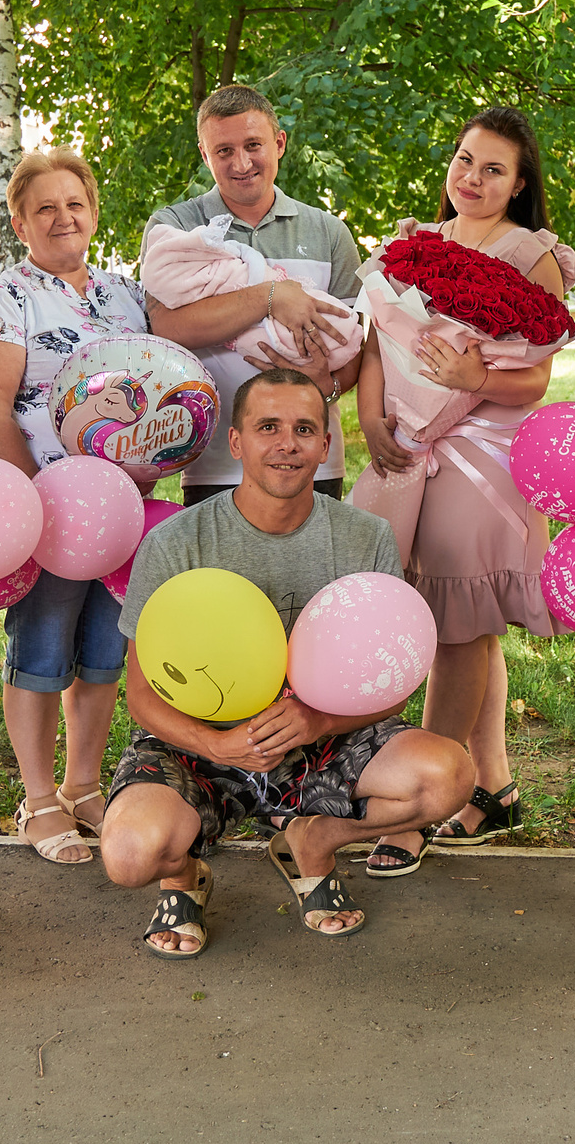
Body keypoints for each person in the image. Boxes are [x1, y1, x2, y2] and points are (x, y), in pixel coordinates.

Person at [97, 370, 477, 957]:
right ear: (237, 442)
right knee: (128, 857)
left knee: (449, 774)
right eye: (267, 427)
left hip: (318, 737)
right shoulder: (177, 542)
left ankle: (316, 839)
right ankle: (184, 876)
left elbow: (389, 686)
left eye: (304, 429)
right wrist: (216, 745)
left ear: (326, 445)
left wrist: (318, 722)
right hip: (204, 744)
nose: (286, 444)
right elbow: (143, 699)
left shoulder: (366, 539)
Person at [354, 107, 575, 874]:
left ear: (519, 186)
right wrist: (369, 412)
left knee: (454, 627)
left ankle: (425, 802)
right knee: (447, 621)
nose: (471, 179)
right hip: (404, 447)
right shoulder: (422, 244)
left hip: (480, 456)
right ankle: (492, 788)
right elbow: (379, 340)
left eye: (492, 169)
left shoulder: (532, 254)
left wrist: (474, 377)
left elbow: (537, 374)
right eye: (463, 160)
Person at [0, 147, 152, 863]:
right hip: (46, 511)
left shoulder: (126, 296)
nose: (63, 217)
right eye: (45, 207)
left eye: (75, 203)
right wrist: (36, 509)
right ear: (19, 221)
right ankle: (37, 799)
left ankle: (81, 786)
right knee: (41, 648)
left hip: (124, 510)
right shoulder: (3, 300)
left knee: (105, 650)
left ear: (94, 212)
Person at [140, 85, 364, 506]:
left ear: (279, 143)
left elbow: (356, 349)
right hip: (215, 464)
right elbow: (167, 327)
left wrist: (327, 386)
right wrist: (270, 296)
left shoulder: (330, 232)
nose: (241, 163)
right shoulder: (175, 227)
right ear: (205, 156)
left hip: (313, 464)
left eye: (253, 145)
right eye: (223, 151)